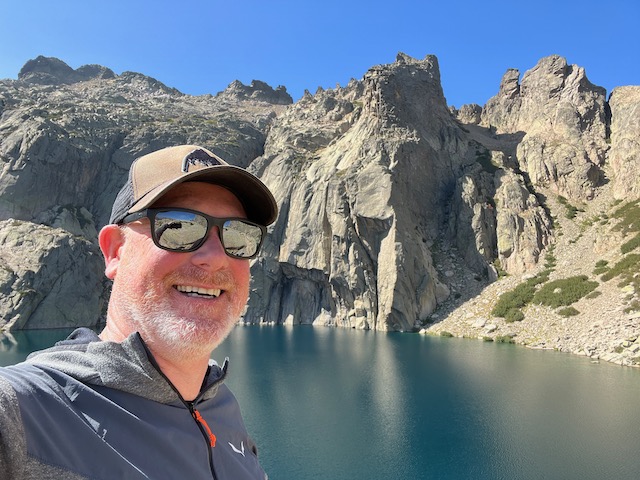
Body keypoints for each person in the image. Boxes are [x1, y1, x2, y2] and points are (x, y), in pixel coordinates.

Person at [0, 145, 278, 479]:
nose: (216, 257)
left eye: (238, 235)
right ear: (115, 251)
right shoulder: (22, 412)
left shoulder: (222, 407)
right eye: (178, 226)